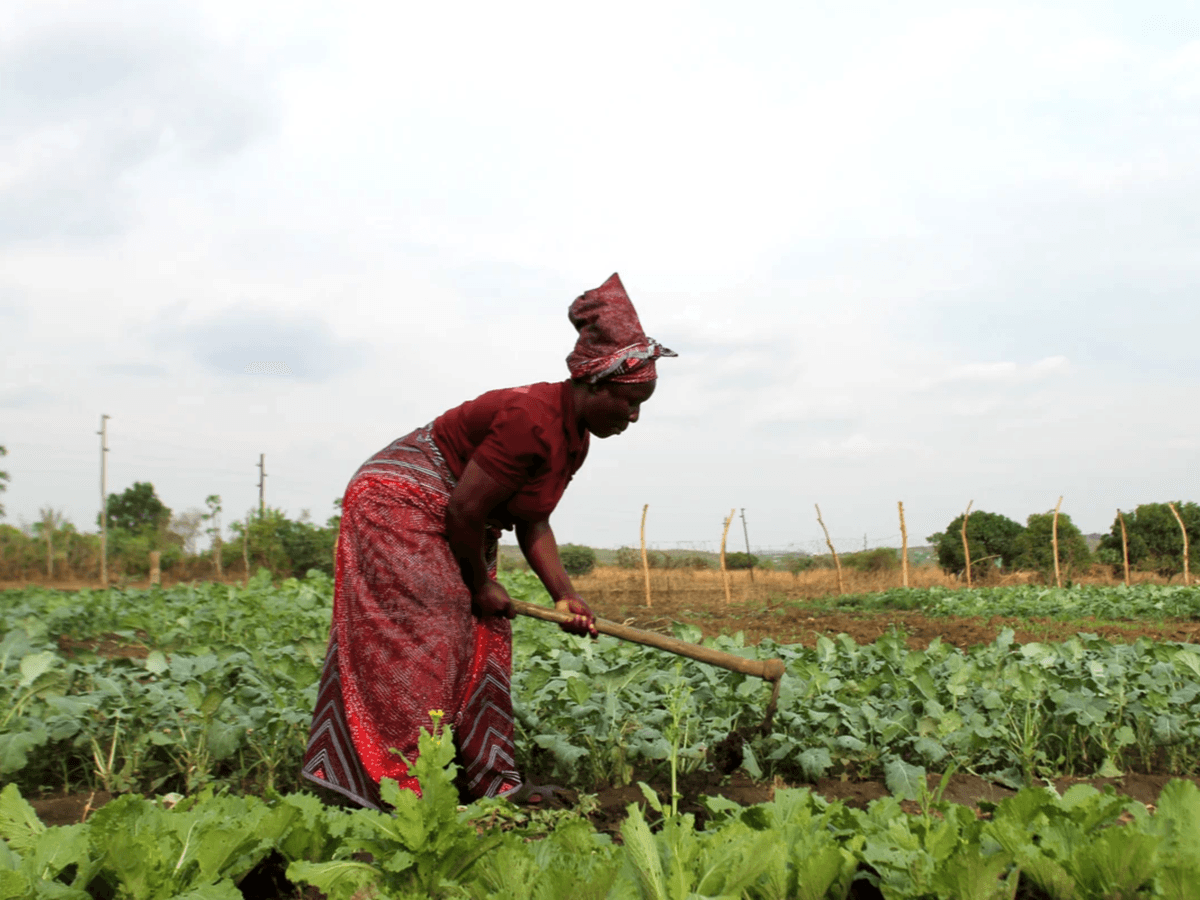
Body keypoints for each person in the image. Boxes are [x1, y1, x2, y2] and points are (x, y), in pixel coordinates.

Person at [300, 273, 675, 808]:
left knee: (487, 637)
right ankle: (402, 791)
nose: (634, 417)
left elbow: (534, 522)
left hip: (458, 516)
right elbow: (466, 507)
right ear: (593, 385)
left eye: (642, 405)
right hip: (397, 502)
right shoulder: (532, 417)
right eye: (629, 402)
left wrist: (564, 595)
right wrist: (478, 583)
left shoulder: (575, 440)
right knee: (429, 638)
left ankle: (489, 785)